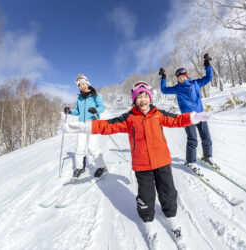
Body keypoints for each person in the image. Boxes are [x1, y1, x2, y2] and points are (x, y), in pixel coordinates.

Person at [62, 81, 210, 249]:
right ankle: (149, 225)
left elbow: (177, 120)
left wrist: (195, 116)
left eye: (146, 95)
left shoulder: (158, 114)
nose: (143, 99)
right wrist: (82, 126)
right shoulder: (129, 118)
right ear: (134, 99)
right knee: (145, 198)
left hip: (162, 163)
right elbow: (106, 125)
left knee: (169, 193)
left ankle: (173, 221)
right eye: (139, 96)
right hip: (142, 166)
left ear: (150, 98)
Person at [159, 53, 219, 172]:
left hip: (200, 114)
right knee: (193, 139)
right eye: (179, 78)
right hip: (187, 117)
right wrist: (163, 77)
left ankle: (207, 157)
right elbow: (164, 90)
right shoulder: (177, 88)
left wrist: (207, 63)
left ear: (186, 76)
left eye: (183, 76)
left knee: (206, 137)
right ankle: (190, 161)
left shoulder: (196, 83)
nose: (181, 79)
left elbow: (209, 78)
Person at [64, 73, 107, 179]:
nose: (82, 86)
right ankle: (80, 167)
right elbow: (77, 111)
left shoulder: (96, 94)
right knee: (79, 147)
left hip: (93, 123)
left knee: (92, 147)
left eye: (83, 83)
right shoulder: (79, 98)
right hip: (81, 124)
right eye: (79, 85)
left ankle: (101, 167)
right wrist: (70, 111)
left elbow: (102, 107)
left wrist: (95, 110)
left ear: (87, 83)